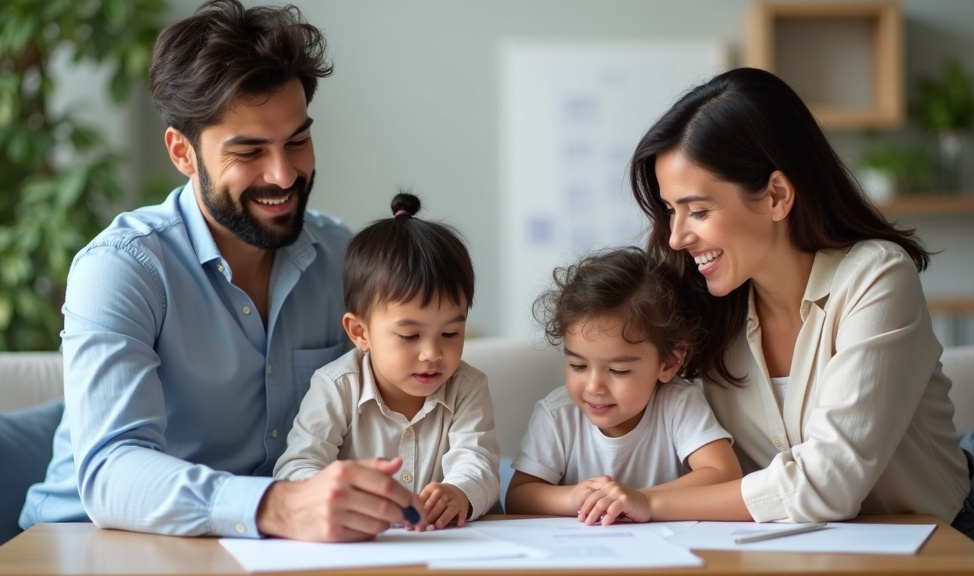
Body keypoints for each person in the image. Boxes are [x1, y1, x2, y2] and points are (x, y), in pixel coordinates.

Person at [20, 0, 428, 543]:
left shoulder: (339, 257)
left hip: (260, 550)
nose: (284, 175)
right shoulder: (121, 269)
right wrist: (276, 506)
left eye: (297, 142)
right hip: (82, 545)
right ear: (182, 153)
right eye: (249, 151)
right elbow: (110, 470)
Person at [628, 67, 974, 561]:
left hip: (941, 544)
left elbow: (827, 483)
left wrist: (653, 502)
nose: (677, 236)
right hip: (801, 548)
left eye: (697, 211)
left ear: (776, 196)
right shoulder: (704, 303)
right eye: (669, 211)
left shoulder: (876, 278)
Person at [274, 192, 500, 530]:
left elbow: (478, 462)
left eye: (451, 333)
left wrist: (459, 491)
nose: (432, 353)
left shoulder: (467, 387)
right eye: (410, 336)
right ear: (360, 331)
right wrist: (333, 493)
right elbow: (297, 467)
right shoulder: (335, 386)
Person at [504, 246, 741, 525]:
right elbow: (518, 497)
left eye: (618, 370)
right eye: (578, 366)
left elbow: (725, 474)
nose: (594, 386)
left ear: (668, 363)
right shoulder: (557, 415)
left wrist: (640, 499)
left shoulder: (678, 403)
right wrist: (573, 497)